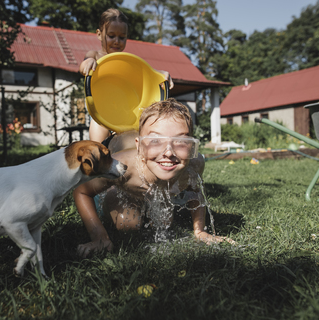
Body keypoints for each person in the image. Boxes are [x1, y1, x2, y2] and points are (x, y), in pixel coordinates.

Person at [73, 99, 230, 258]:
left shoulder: (194, 164)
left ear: (191, 146)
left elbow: (195, 191)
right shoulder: (124, 168)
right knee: (126, 224)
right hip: (117, 145)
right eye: (155, 140)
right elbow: (82, 191)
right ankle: (101, 123)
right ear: (139, 146)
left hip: (145, 169)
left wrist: (200, 230)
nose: (169, 153)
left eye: (181, 141)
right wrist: (99, 237)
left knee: (164, 223)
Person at [79, 8, 174, 142]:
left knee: (132, 138)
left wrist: (161, 74)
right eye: (111, 36)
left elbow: (144, 73)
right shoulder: (94, 55)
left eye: (122, 37)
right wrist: (88, 62)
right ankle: (98, 151)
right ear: (99, 34)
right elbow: (83, 67)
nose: (117, 41)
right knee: (98, 127)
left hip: (124, 112)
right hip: (100, 111)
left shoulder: (126, 61)